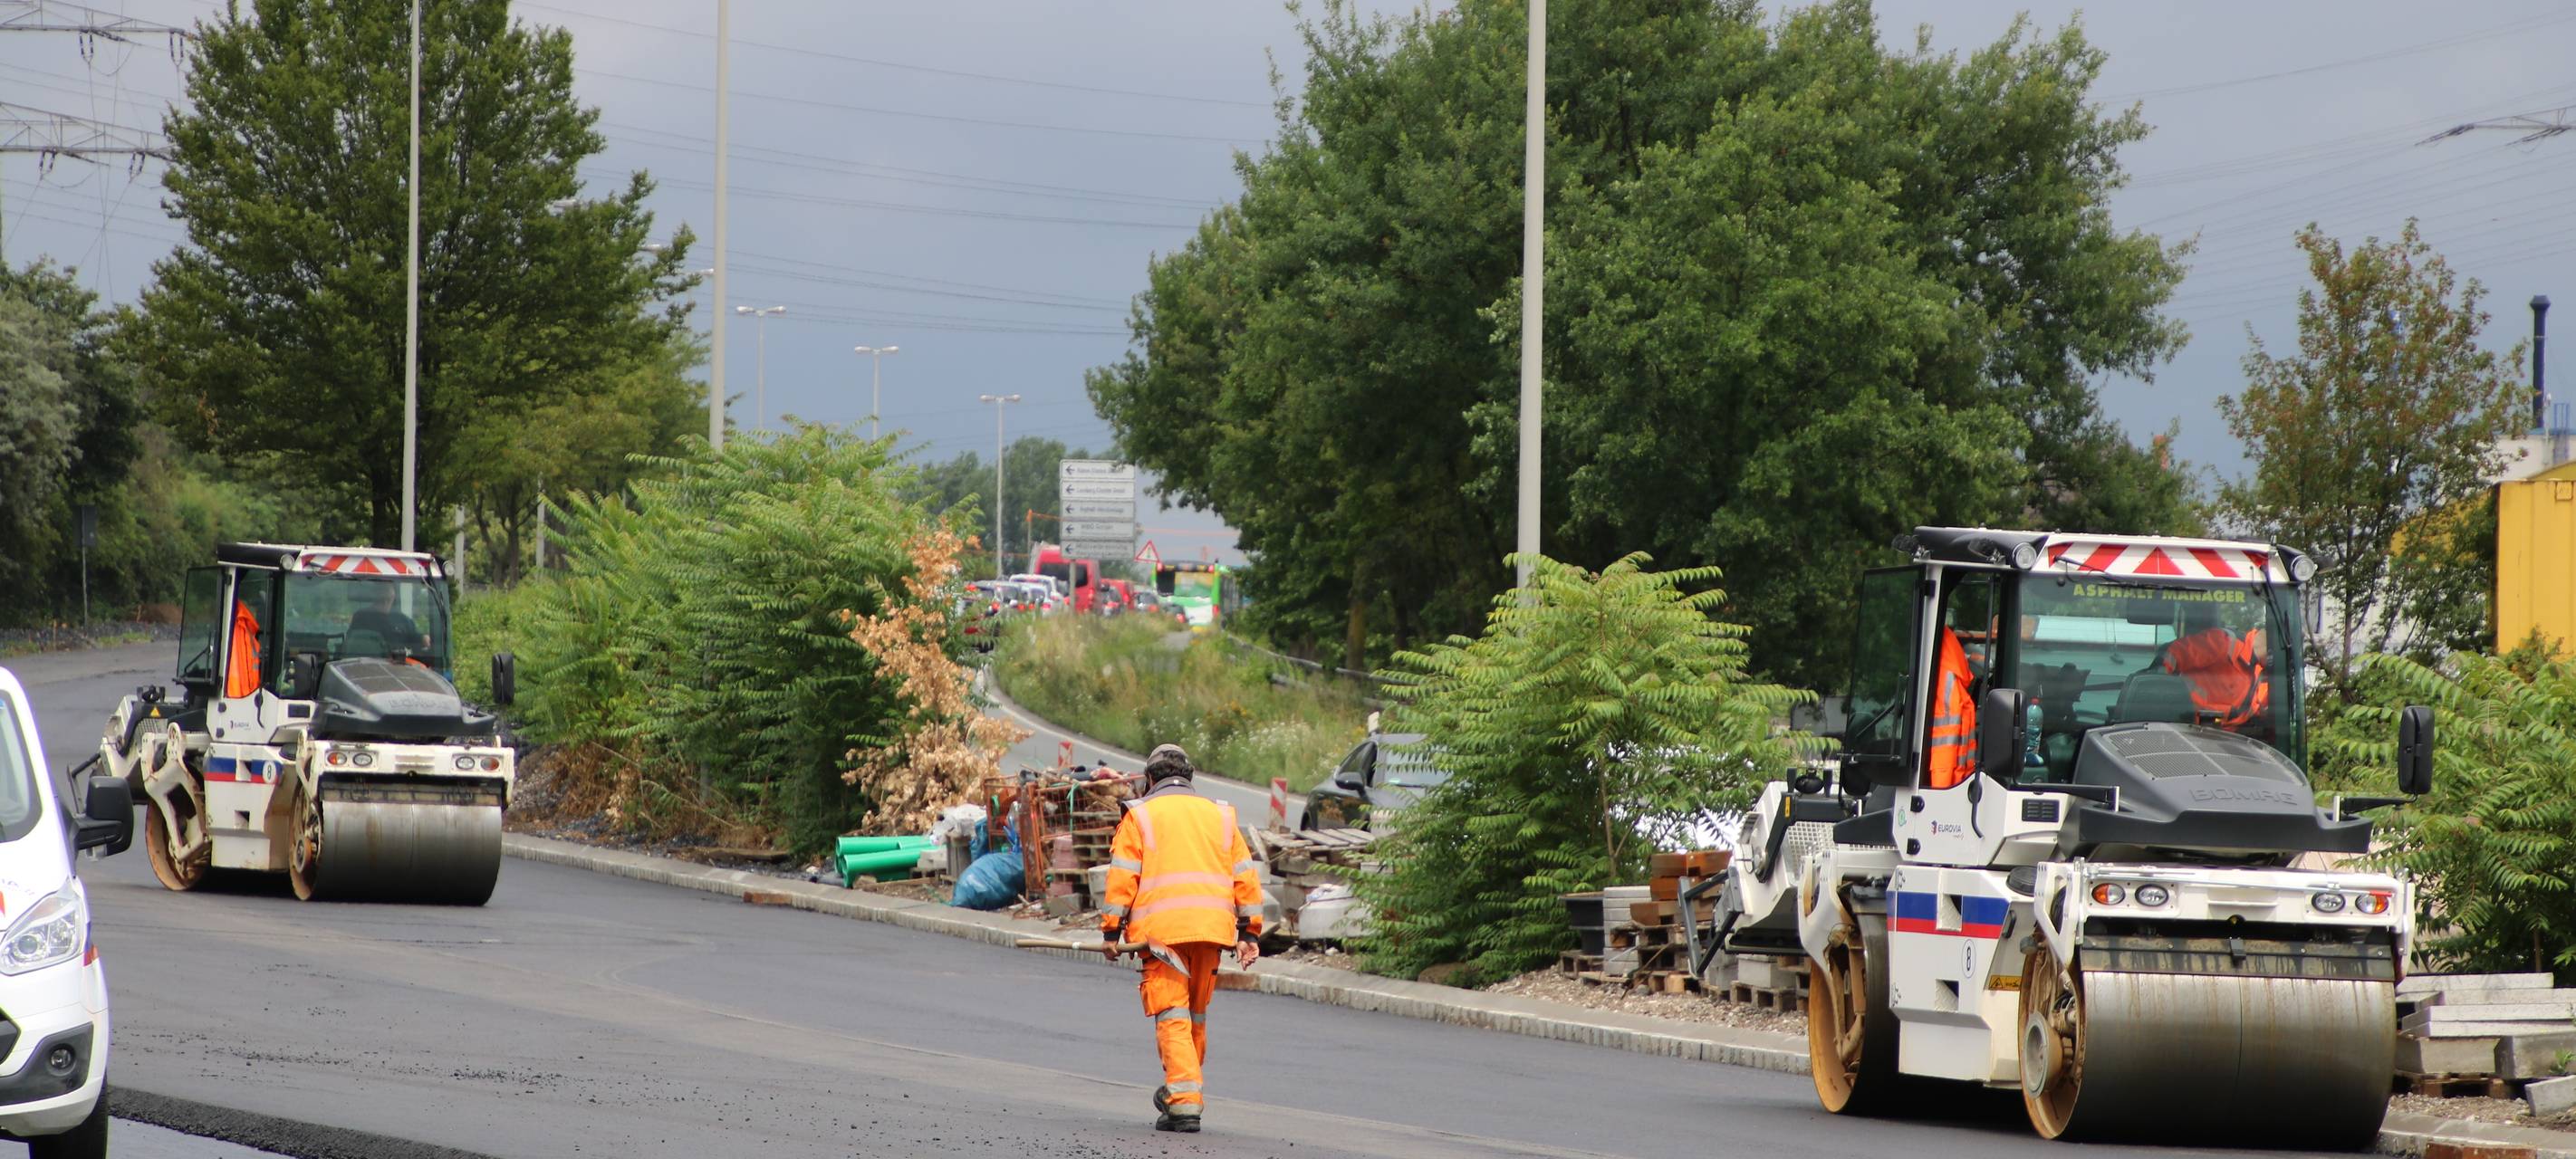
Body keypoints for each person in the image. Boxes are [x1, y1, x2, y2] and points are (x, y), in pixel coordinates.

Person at [1100, 743, 1263, 1134]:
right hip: (1211, 932)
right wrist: (1249, 931)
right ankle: (1179, 1091)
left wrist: (1111, 929)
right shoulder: (1221, 816)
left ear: (1149, 780)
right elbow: (1245, 876)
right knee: (1194, 1016)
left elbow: (1124, 875)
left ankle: (1186, 1102)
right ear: (1189, 779)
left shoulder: (1140, 815)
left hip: (1162, 936)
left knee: (1172, 1015)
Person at [2159, 602, 2268, 728]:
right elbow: (2173, 655)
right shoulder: (2224, 643)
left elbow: (2265, 706)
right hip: (2176, 724)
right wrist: (2161, 688)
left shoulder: (2260, 675)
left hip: (2220, 740)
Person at [1925, 626, 1977, 789]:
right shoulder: (1950, 674)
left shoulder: (1941, 675)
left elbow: (1944, 751)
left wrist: (1940, 791)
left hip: (1943, 781)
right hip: (1952, 781)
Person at [347, 585, 428, 656]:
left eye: (388, 598)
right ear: (374, 595)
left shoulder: (403, 620)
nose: (385, 601)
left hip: (398, 668)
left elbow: (415, 639)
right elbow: (350, 646)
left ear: (393, 596)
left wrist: (424, 638)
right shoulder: (361, 617)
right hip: (363, 666)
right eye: (382, 598)